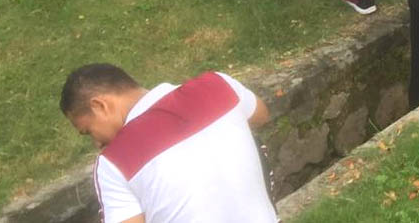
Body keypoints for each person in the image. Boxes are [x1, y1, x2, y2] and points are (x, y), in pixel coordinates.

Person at [60, 63, 276, 223]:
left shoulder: (115, 161)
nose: (97, 142)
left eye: (88, 131)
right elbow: (261, 115)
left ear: (100, 106)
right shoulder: (218, 84)